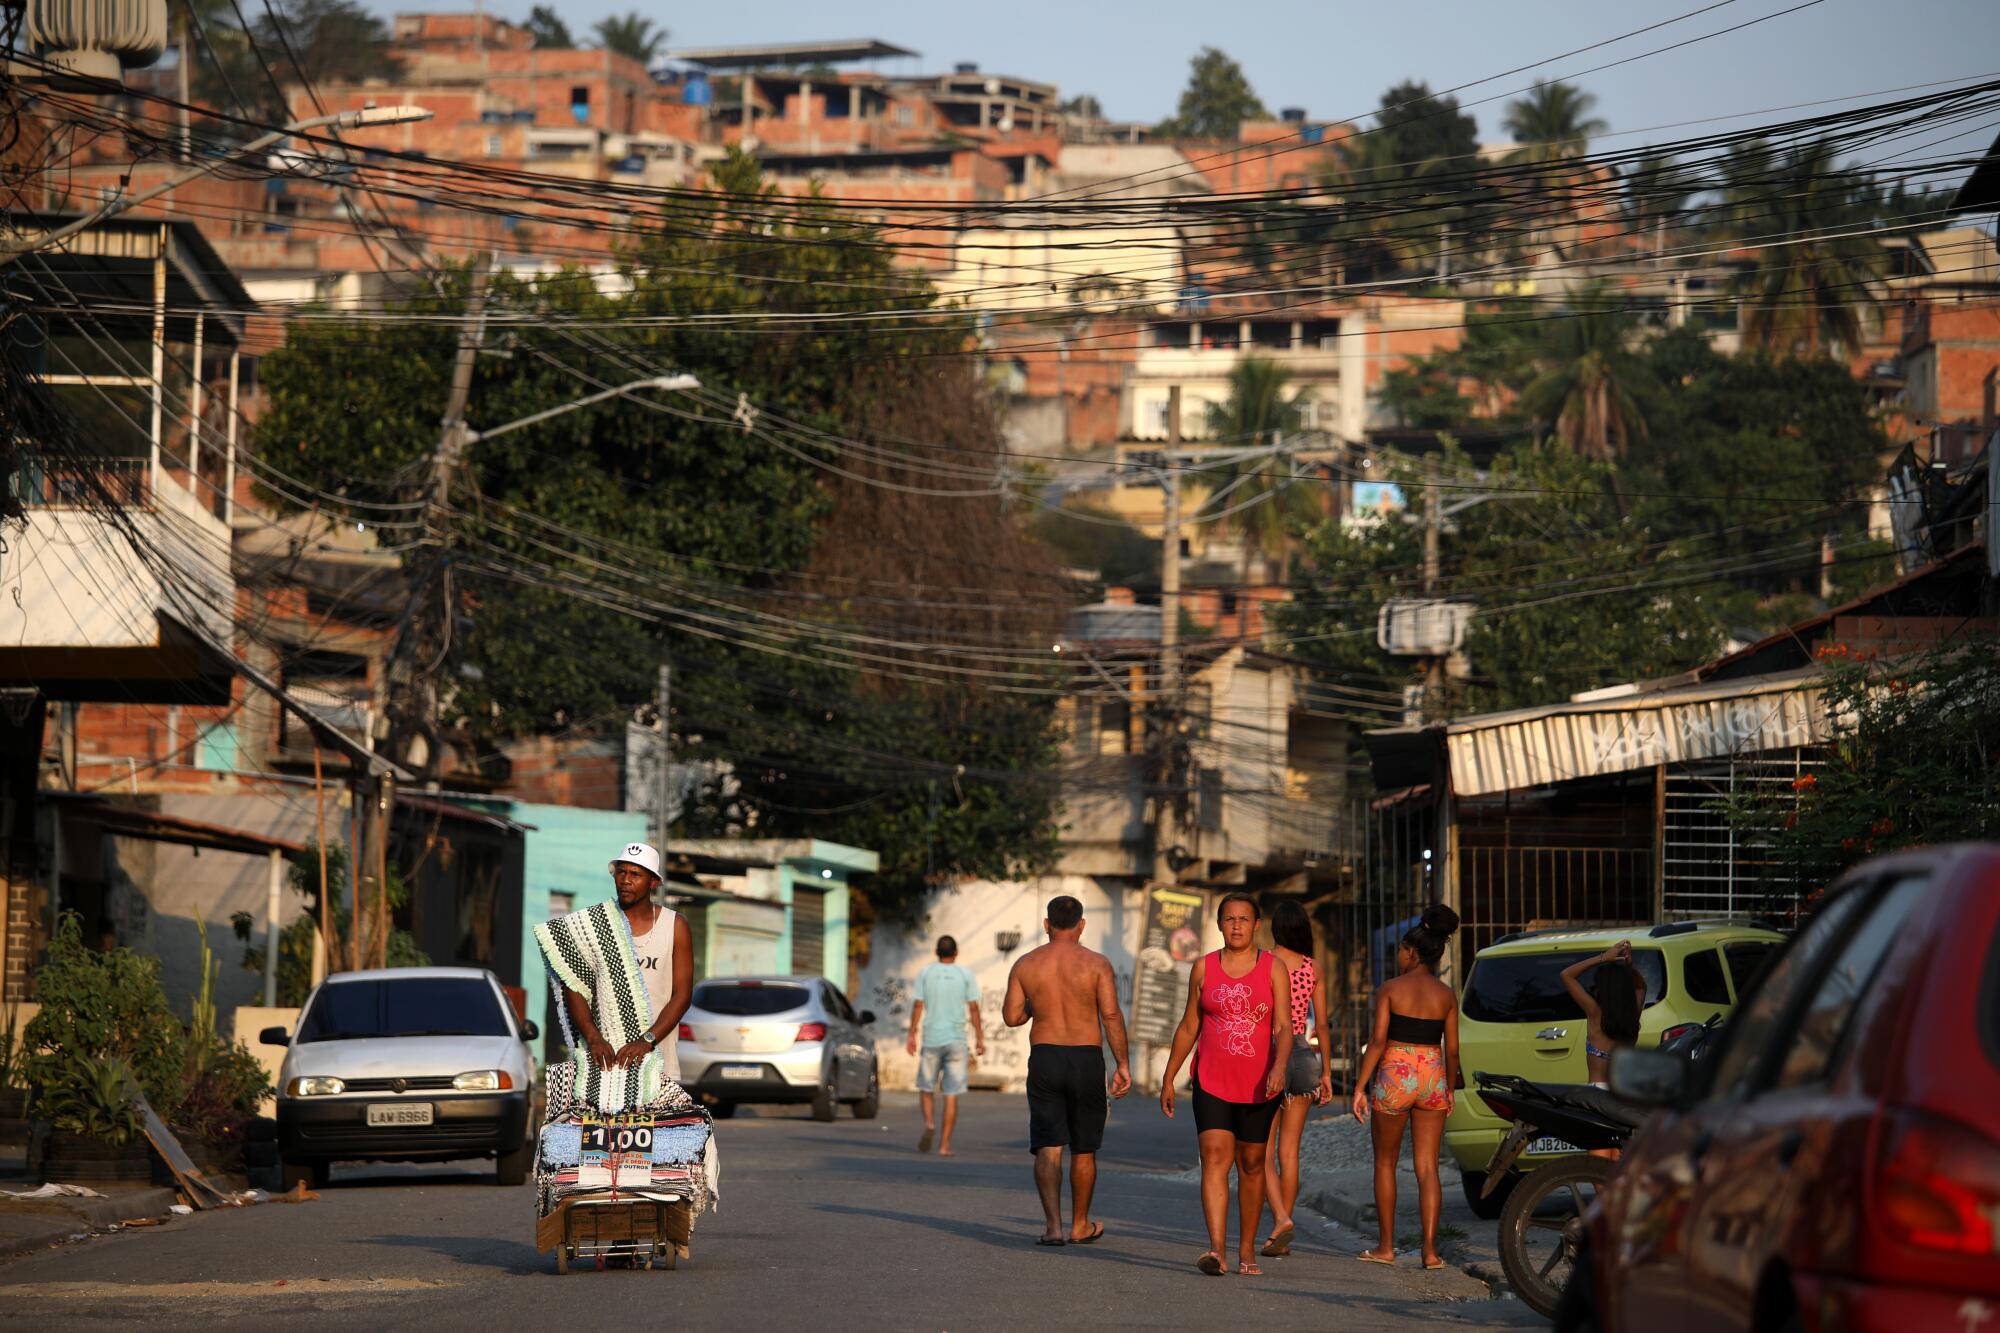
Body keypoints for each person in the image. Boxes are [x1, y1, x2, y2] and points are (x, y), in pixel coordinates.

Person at [1160, 892, 1292, 1277]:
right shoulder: (1203, 968)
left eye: (1244, 919)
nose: (1236, 925)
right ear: (1219, 925)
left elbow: (1284, 1026)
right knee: (1215, 1158)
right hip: (1211, 1081)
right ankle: (1217, 1250)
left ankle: (1246, 1250)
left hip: (1260, 1084)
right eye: (1229, 919)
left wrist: (1281, 1065)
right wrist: (1169, 1076)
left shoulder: (1273, 968)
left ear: (1256, 924)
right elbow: (1189, 1025)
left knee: (1251, 1164)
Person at [1002, 895, 1133, 1247]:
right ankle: (1079, 1225)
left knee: (1049, 1145)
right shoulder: (1096, 963)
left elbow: (1012, 1017)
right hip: (1085, 1058)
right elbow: (1110, 1015)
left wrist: (1035, 1004)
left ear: (1047, 924)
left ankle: (1053, 1228)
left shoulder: (1026, 964)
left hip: (1045, 1057)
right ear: (1082, 925)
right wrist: (1122, 1063)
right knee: (1084, 1148)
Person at [537, 842, 695, 1103]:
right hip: (603, 1065)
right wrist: (593, 1038)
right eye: (621, 873)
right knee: (600, 1145)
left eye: (636, 874)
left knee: (655, 1143)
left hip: (657, 1062)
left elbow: (682, 995)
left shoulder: (674, 925)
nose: (625, 881)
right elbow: (574, 985)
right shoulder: (593, 926)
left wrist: (647, 1041)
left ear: (653, 882)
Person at [1350, 903, 1460, 1271]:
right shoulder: (1446, 995)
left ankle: (1386, 1247)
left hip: (1395, 1076)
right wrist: (1450, 1091)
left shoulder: (1390, 989)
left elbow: (1378, 1041)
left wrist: (1359, 1087)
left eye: (1400, 949)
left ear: (1412, 952)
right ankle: (1430, 1252)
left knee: (1385, 1163)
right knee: (1427, 1168)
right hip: (1432, 1075)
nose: (1398, 955)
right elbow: (1454, 1049)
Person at [1259, 900, 1333, 1258]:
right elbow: (1322, 1025)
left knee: (1262, 1151)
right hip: (1304, 1057)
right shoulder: (1313, 967)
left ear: (1274, 929)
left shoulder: (1262, 962)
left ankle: (1281, 1221)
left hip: (1268, 1056)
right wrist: (1329, 1072)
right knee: (1290, 1152)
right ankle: (1281, 1232)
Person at [907, 934, 985, 1156]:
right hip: (956, 1041)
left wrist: (911, 1034)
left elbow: (918, 1005)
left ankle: (930, 1123)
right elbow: (974, 1009)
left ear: (936, 952)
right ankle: (944, 1146)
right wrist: (979, 1037)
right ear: (956, 952)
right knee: (951, 1094)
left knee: (926, 1087)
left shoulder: (926, 973)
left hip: (931, 1039)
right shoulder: (965, 974)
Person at [1560, 940, 1643, 1089]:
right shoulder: (1632, 1015)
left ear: (1602, 989)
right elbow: (1641, 987)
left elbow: (1566, 975)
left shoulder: (1595, 1013)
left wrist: (1603, 957)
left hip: (1598, 1093)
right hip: (1626, 1091)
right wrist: (1630, 966)